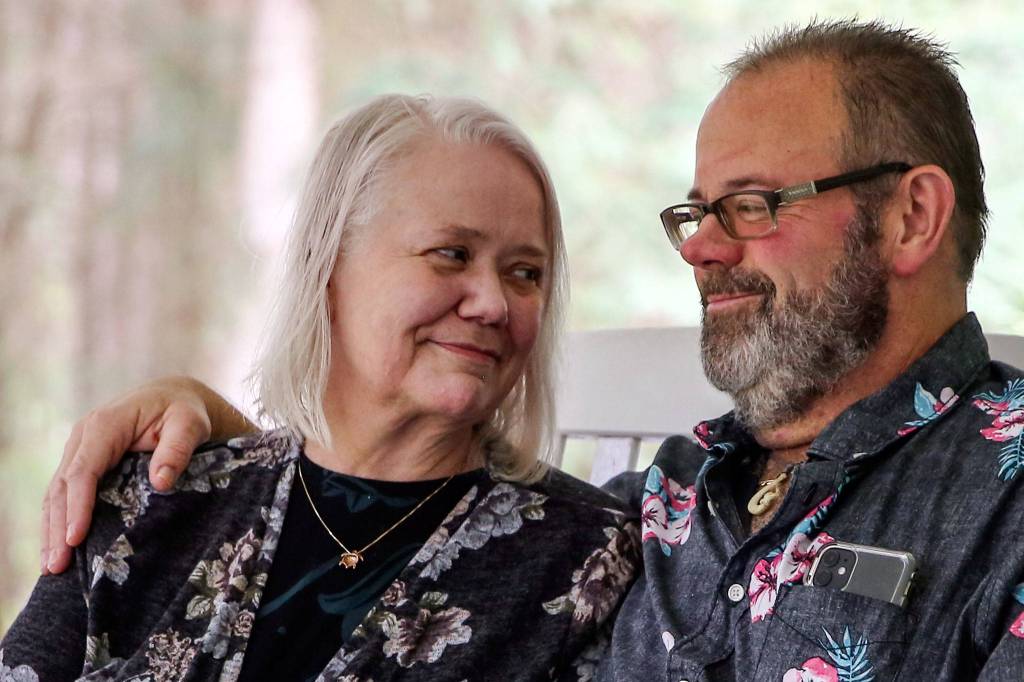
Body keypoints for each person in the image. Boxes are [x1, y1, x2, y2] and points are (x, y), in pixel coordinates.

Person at [28, 17, 1024, 681]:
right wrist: (202, 424)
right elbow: (377, 489)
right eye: (695, 210)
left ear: (910, 217)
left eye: (752, 205)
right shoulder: (668, 500)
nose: (701, 245)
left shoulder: (1002, 497)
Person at [2, 94, 639, 680]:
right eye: (451, 253)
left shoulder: (587, 560)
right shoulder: (151, 501)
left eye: (525, 272)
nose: (494, 303)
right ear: (327, 264)